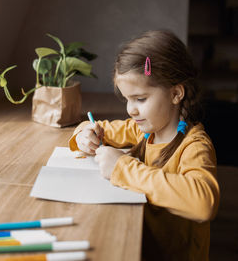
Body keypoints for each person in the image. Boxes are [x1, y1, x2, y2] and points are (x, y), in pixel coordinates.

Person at [68, 30, 220, 261]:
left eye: (140, 99)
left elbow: (203, 204)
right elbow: (94, 127)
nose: (131, 110)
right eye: (127, 99)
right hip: (139, 248)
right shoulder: (142, 129)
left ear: (175, 93)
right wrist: (85, 134)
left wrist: (122, 167)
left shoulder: (194, 145)